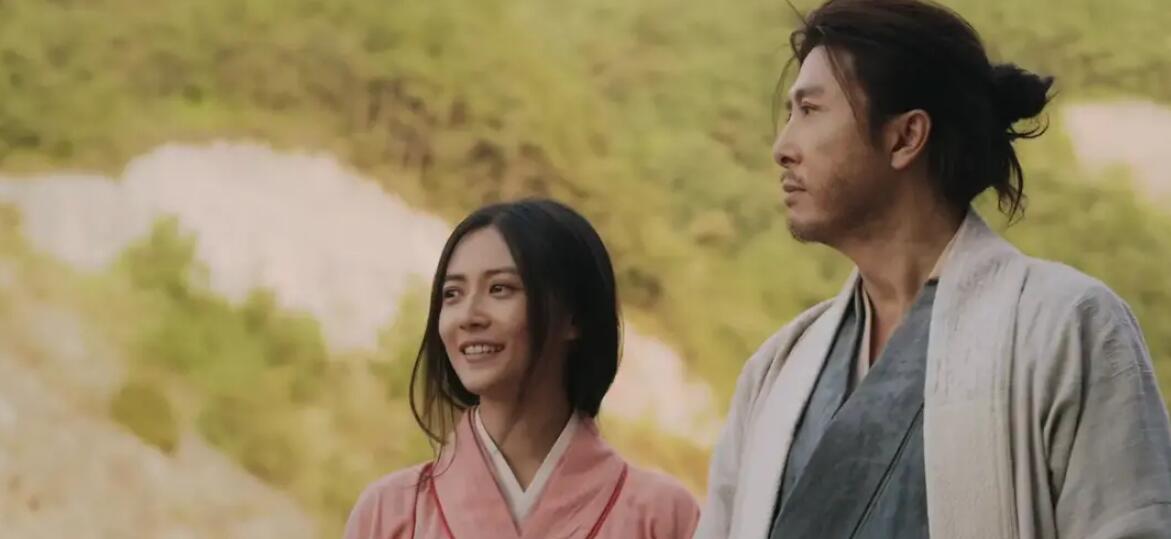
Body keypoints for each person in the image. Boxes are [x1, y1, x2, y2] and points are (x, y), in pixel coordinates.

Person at [693, 0, 1171, 538]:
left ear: (905, 137)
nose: (783, 148)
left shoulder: (1065, 326)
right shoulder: (777, 369)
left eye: (809, 110)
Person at [345, 198, 700, 539]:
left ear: (574, 316)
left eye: (500, 289)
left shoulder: (663, 518)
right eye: (452, 294)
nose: (468, 316)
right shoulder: (389, 514)